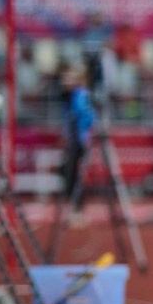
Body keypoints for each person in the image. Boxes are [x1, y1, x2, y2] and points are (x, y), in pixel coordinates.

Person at [59, 67, 96, 216]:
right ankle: (75, 205)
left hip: (79, 139)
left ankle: (78, 206)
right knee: (69, 173)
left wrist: (83, 135)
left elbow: (86, 116)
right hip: (74, 138)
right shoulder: (69, 96)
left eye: (68, 78)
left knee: (74, 173)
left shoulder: (80, 94)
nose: (65, 81)